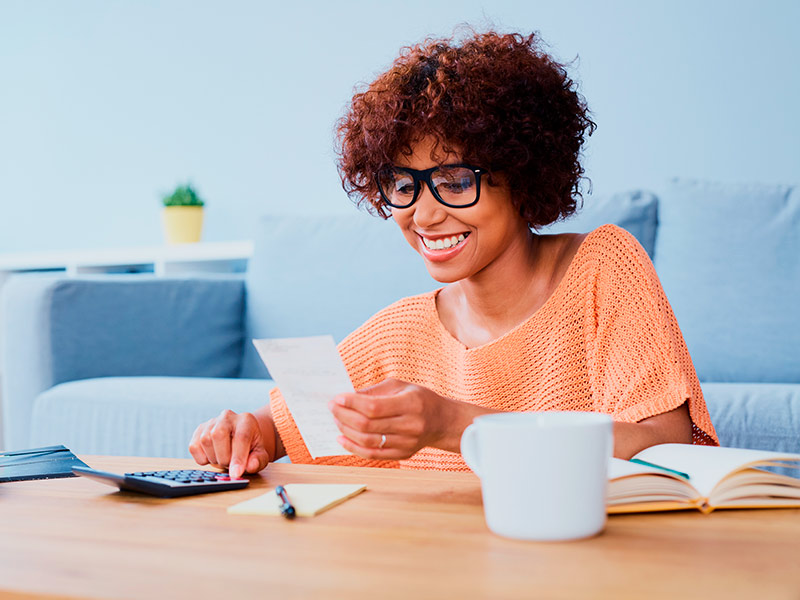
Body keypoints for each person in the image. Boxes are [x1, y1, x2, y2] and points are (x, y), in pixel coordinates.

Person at [189, 30, 718, 479]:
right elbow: (276, 429)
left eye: (455, 180)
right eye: (404, 184)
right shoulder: (400, 333)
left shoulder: (603, 269)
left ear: (521, 171)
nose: (423, 214)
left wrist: (449, 425)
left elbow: (664, 446)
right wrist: (239, 434)